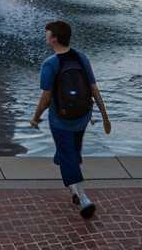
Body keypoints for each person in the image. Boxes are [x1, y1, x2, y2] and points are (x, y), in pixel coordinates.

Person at [30, 20, 111, 219]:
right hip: (82, 117)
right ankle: (75, 191)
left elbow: (46, 99)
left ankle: (84, 198)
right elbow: (94, 90)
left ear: (54, 39)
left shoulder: (50, 64)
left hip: (61, 120)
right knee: (70, 152)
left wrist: (35, 118)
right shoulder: (81, 57)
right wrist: (104, 116)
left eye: (47, 33)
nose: (46, 36)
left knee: (68, 156)